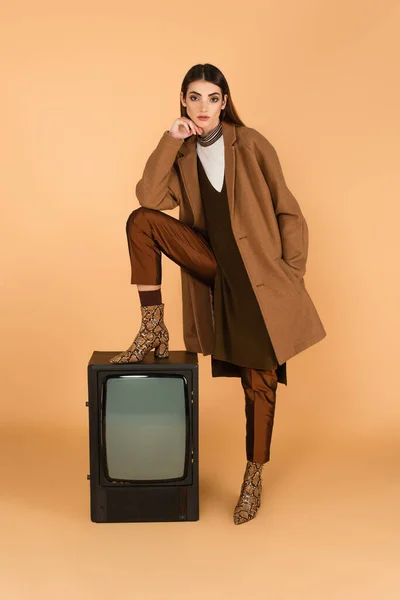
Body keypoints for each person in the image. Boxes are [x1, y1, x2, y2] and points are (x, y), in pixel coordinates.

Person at [110, 63, 327, 525]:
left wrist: (292, 273)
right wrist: (170, 138)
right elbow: (149, 195)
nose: (203, 106)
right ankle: (153, 326)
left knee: (260, 380)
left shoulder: (251, 144)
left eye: (212, 97)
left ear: (225, 102)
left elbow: (289, 211)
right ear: (183, 102)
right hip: (212, 264)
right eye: (194, 97)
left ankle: (254, 472)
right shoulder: (183, 154)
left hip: (259, 277)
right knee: (139, 222)